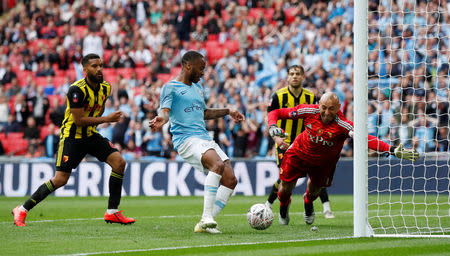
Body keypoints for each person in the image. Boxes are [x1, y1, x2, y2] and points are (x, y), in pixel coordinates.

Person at [12, 54, 135, 226]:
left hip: (91, 135)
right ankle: (22, 209)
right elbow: (78, 120)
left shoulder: (106, 88)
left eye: (100, 65)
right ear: (85, 71)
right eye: (94, 66)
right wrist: (106, 119)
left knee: (119, 163)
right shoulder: (76, 90)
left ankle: (112, 212)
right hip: (72, 137)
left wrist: (102, 120)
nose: (99, 69)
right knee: (61, 179)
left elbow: (94, 111)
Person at [267, 92, 419, 225]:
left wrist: (391, 150)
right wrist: (272, 125)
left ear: (339, 107)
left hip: (323, 163)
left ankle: (308, 203)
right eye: (324, 107)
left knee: (314, 192)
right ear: (318, 104)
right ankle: (284, 206)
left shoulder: (343, 125)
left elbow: (366, 138)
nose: (327, 112)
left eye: (331, 108)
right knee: (285, 189)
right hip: (299, 153)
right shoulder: (308, 110)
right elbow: (276, 113)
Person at [149, 51, 245, 234]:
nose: (203, 73)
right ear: (188, 66)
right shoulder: (170, 87)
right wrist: (162, 118)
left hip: (203, 137)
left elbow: (203, 113)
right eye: (201, 68)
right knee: (217, 165)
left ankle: (205, 223)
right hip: (186, 138)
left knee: (230, 180)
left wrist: (228, 111)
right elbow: (165, 111)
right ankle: (207, 217)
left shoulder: (198, 88)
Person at [264, 65, 335, 219]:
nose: (295, 76)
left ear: (303, 77)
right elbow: (270, 117)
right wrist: (276, 138)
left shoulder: (311, 97)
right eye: (291, 74)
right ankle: (275, 204)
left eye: (298, 74)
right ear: (287, 77)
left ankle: (325, 207)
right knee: (286, 179)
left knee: (317, 175)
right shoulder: (278, 96)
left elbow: (318, 118)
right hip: (285, 143)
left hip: (306, 144)